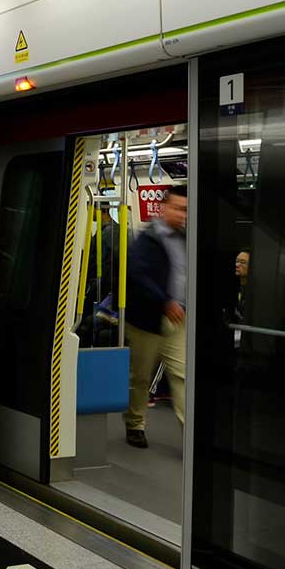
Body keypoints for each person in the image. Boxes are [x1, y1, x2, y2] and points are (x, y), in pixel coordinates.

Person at [123, 184, 188, 448]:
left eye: (186, 210)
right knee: (141, 376)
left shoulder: (187, 239)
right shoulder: (146, 239)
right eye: (178, 209)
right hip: (147, 321)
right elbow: (138, 274)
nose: (182, 215)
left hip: (178, 319)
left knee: (181, 375)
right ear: (163, 208)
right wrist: (164, 301)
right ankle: (135, 423)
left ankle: (190, 434)